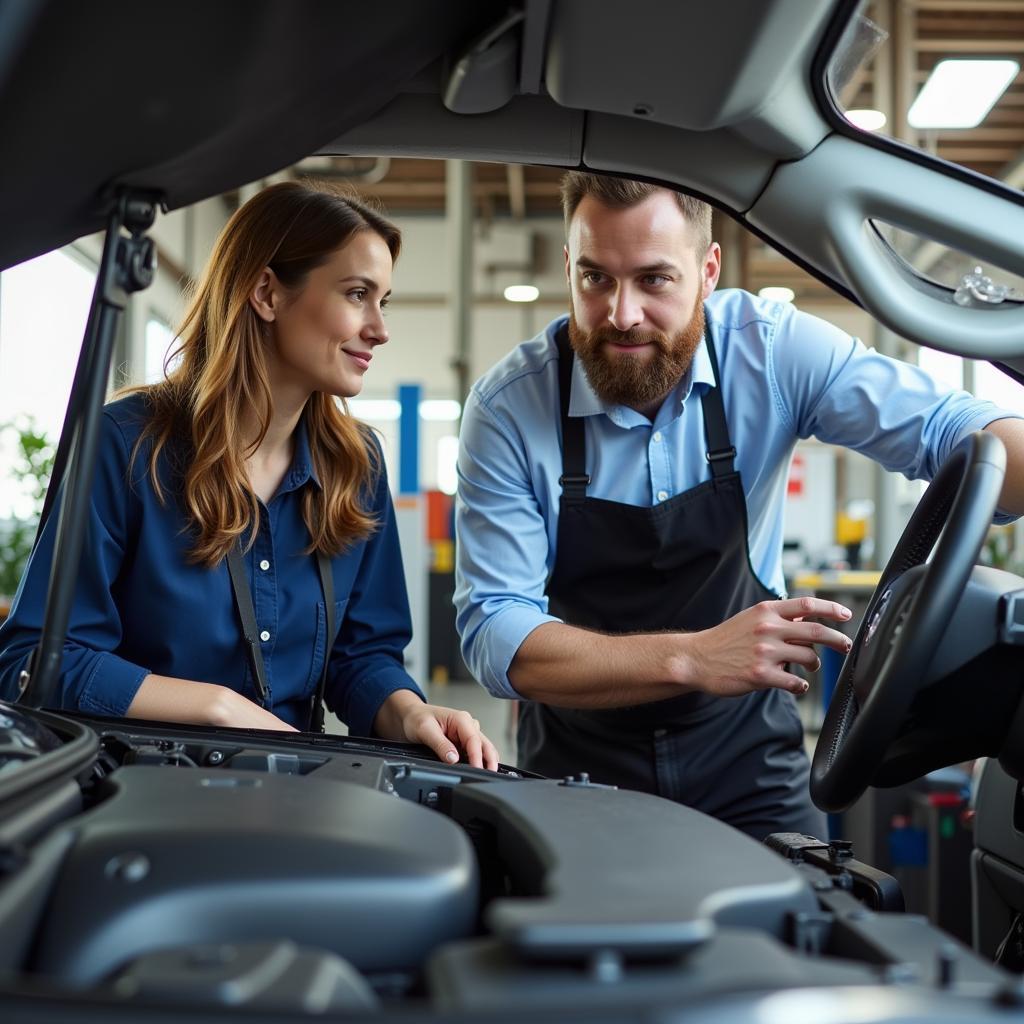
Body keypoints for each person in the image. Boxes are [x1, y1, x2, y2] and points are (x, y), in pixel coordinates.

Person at [454, 173, 1024, 836]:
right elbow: (497, 636)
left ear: (708, 271)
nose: (622, 313)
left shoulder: (769, 349)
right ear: (568, 269)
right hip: (578, 764)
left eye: (654, 279)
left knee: (814, 923)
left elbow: (956, 433)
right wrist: (693, 657)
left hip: (748, 758)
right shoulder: (507, 409)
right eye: (596, 279)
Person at [0, 181, 499, 771]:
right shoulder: (127, 445)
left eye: (382, 301)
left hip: (290, 792)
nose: (379, 328)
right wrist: (216, 707)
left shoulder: (357, 465)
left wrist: (410, 712)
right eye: (357, 293)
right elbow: (37, 660)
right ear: (267, 292)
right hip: (134, 789)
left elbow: (362, 657)